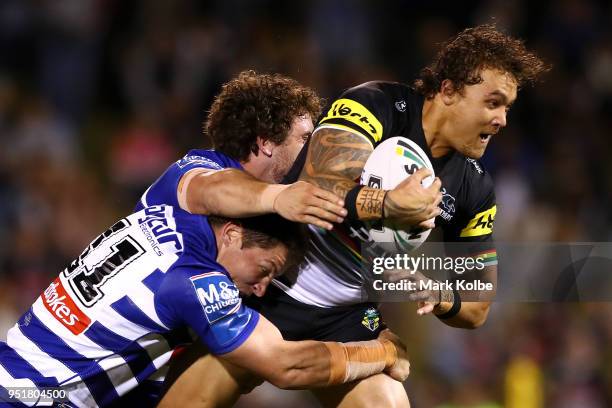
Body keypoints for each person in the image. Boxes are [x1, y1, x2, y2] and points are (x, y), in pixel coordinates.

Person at [153, 24, 550, 407]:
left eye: (507, 108)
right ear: (448, 90)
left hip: (347, 317)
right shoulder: (374, 104)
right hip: (269, 287)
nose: (502, 120)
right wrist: (389, 204)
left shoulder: (475, 190)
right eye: (493, 102)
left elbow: (478, 305)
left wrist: (440, 295)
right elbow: (319, 187)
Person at [0, 204, 410, 407]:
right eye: (265, 269)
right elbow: (288, 367)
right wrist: (386, 350)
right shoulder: (196, 281)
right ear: (232, 234)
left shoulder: (164, 211)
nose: (263, 288)